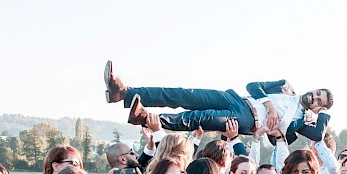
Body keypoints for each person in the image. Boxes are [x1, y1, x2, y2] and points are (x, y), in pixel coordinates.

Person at [104, 61, 333, 143]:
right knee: (186, 94)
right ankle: (123, 93)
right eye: (316, 93)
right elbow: (252, 85)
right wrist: (269, 104)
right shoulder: (285, 86)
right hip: (239, 99)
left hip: (245, 120)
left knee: (196, 119)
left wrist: (322, 114)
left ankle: (144, 117)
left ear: (316, 107)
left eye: (318, 101)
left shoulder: (300, 121)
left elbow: (316, 135)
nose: (313, 97)